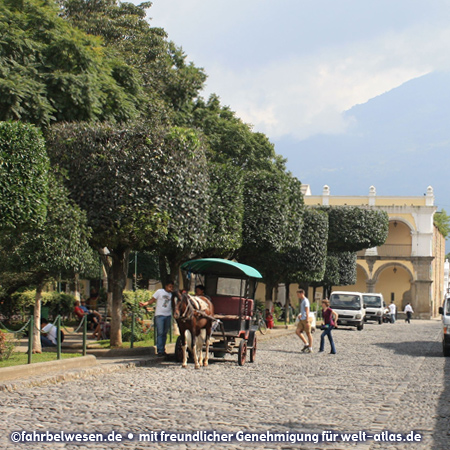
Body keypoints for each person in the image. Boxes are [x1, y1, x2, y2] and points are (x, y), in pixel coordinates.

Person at [140, 280, 175, 356]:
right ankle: (160, 350)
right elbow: (152, 300)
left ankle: (163, 349)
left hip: (168, 315)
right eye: (169, 286)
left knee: (165, 333)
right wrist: (144, 304)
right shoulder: (160, 292)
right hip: (160, 315)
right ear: (166, 286)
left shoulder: (172, 295)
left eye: (172, 287)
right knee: (160, 332)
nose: (171, 288)